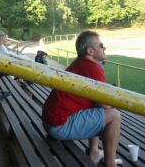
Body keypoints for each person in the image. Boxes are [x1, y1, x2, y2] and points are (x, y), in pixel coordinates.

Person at [42, 31, 121, 167]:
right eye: (101, 46)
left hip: (51, 122)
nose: (104, 48)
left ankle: (94, 151)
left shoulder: (81, 63)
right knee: (114, 116)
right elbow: (106, 105)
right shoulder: (92, 68)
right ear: (90, 51)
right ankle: (110, 164)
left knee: (97, 106)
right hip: (59, 126)